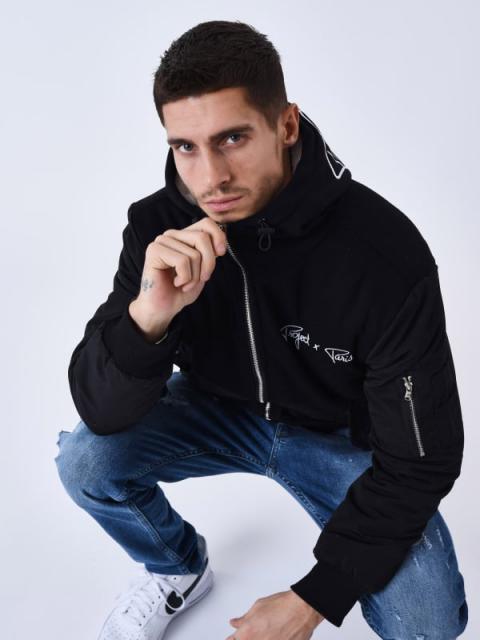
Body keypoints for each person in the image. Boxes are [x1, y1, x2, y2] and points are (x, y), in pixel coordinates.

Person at [54, 19, 469, 640]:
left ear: (287, 125)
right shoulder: (159, 228)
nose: (210, 177)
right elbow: (101, 412)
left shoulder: (382, 256)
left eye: (232, 138)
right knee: (85, 461)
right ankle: (176, 568)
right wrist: (149, 318)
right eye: (185, 147)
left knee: (428, 623)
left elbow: (422, 461)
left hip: (341, 439)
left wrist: (313, 599)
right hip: (216, 412)